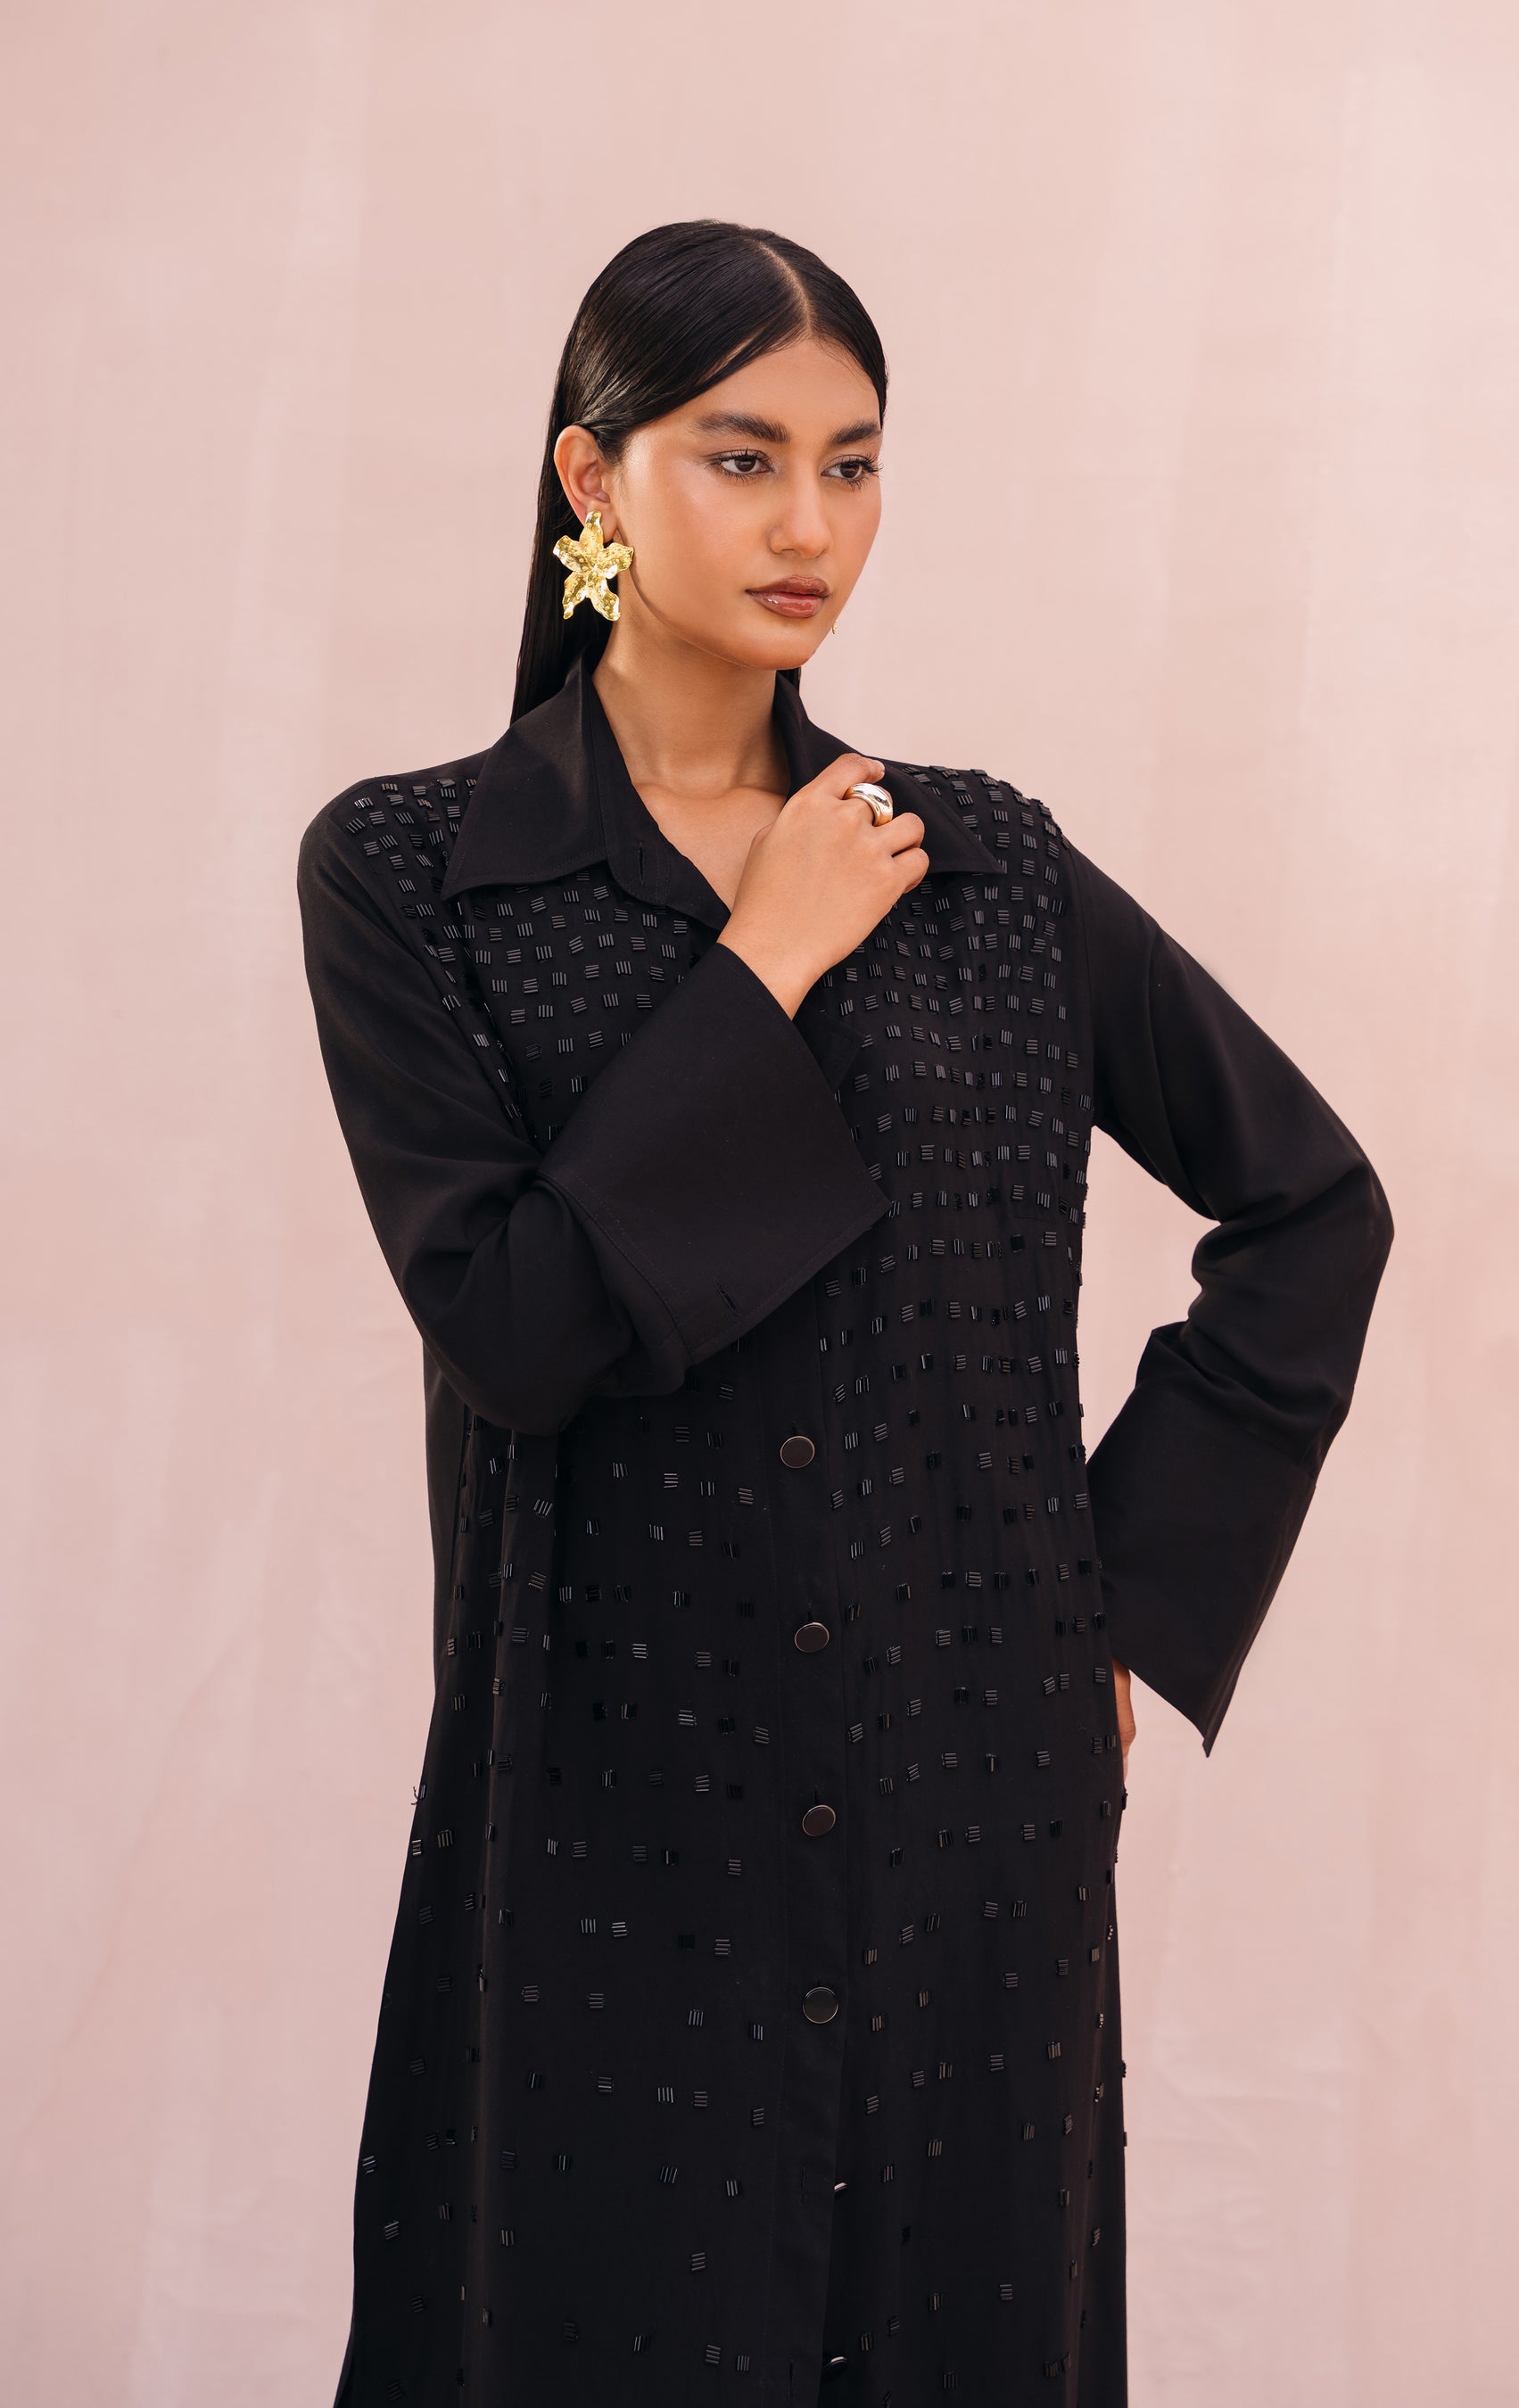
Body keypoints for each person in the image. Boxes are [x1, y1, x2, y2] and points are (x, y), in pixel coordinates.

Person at [298, 219, 1392, 2408]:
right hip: (605, 1811)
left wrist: (1109, 1621)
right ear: (594, 481)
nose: (811, 526)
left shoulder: (986, 870)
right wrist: (763, 964)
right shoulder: (415, 874)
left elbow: (1311, 1205)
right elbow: (514, 1330)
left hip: (966, 1812)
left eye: (854, 463)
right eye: (743, 459)